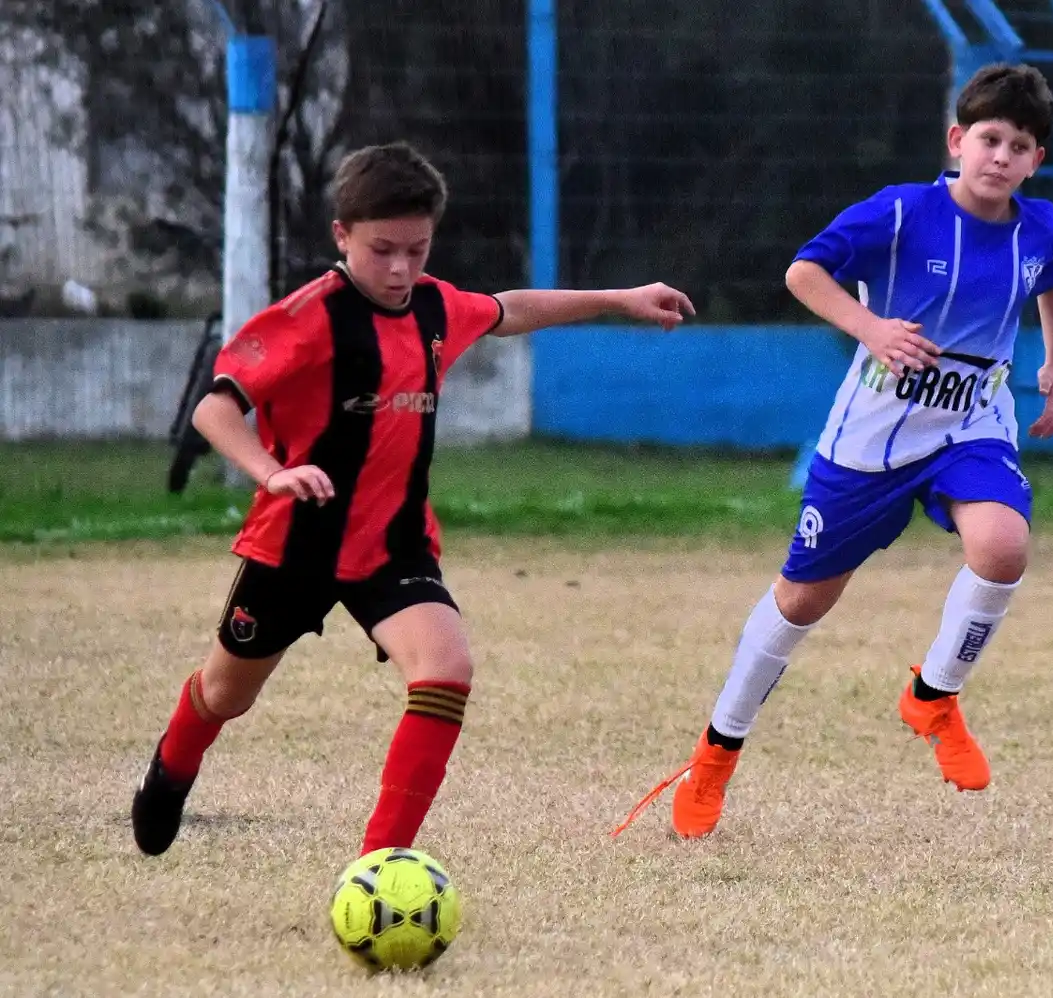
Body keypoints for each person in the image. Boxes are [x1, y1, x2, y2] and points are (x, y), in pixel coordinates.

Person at [131, 142, 695, 857]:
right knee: (225, 695)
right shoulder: (306, 319)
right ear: (342, 235)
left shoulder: (432, 308)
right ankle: (171, 768)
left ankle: (378, 866)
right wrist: (270, 472)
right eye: (382, 250)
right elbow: (215, 409)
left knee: (446, 670)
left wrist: (617, 299)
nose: (401, 269)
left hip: (393, 547)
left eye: (417, 249)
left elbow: (508, 309)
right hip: (294, 546)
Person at [615, 63, 1053, 839]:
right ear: (958, 141)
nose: (1001, 156)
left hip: (971, 423)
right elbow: (804, 271)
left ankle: (934, 696)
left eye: (1020, 145)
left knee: (1002, 548)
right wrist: (873, 330)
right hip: (875, 436)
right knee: (803, 601)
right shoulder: (901, 214)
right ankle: (715, 754)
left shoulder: (1042, 226)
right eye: (989, 138)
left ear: (1036, 161)